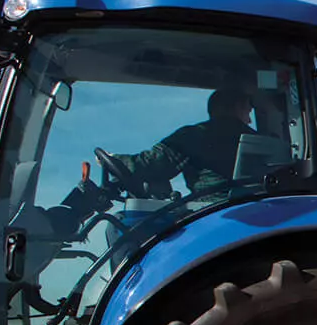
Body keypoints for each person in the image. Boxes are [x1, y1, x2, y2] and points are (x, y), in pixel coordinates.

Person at [43, 88, 259, 240]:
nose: (249, 120)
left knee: (120, 224)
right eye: (248, 112)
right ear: (236, 107)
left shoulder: (198, 134)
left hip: (210, 214)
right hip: (252, 213)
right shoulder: (260, 139)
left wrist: (113, 159)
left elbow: (153, 164)